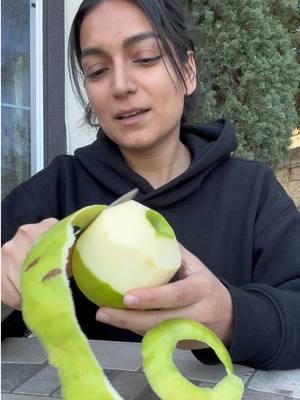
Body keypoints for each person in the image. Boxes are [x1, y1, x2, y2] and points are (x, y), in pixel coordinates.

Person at [2, 0, 300, 371]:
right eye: (97, 70)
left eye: (145, 58)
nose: (121, 86)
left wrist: (232, 317)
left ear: (188, 72)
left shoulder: (252, 189)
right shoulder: (59, 189)